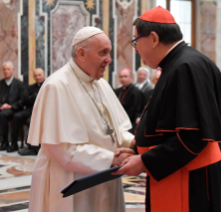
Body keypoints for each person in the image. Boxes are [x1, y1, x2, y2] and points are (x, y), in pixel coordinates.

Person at [113, 6, 221, 212]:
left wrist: (146, 161)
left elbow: (192, 138)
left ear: (153, 38)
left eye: (135, 41)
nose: (136, 49)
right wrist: (137, 149)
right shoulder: (183, 62)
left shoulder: (184, 67)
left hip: (190, 178)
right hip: (184, 171)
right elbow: (169, 126)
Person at [27, 27, 135, 212]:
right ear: (82, 53)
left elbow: (115, 129)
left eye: (109, 53)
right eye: (103, 53)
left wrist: (132, 142)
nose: (109, 60)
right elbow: (64, 150)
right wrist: (112, 158)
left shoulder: (101, 84)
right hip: (70, 180)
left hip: (105, 174)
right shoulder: (57, 86)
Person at [8, 68, 46, 153]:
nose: (38, 77)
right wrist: (34, 97)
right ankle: (14, 144)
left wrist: (32, 97)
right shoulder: (30, 87)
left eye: (39, 75)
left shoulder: (47, 86)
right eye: (35, 76)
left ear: (44, 75)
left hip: (42, 111)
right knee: (16, 116)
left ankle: (33, 147)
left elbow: (44, 100)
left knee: (30, 121)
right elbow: (25, 99)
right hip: (30, 109)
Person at [114, 68, 145, 133]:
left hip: (130, 123)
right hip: (117, 121)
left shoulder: (136, 92)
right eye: (121, 77)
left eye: (125, 76)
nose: (123, 79)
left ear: (131, 78)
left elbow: (135, 110)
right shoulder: (117, 91)